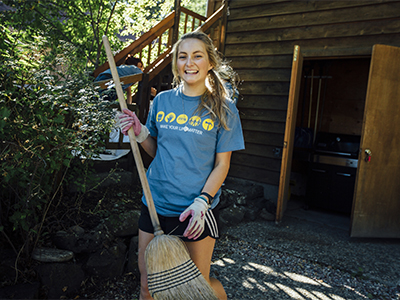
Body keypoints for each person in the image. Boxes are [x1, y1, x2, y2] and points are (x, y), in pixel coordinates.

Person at [117, 31, 245, 300]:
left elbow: (222, 165)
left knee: (196, 290)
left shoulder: (224, 108)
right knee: (148, 284)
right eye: (182, 56)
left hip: (194, 212)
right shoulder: (162, 101)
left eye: (197, 56)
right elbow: (156, 149)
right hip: (156, 205)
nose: (189, 63)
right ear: (176, 62)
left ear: (209, 61)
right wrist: (140, 133)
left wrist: (203, 201)